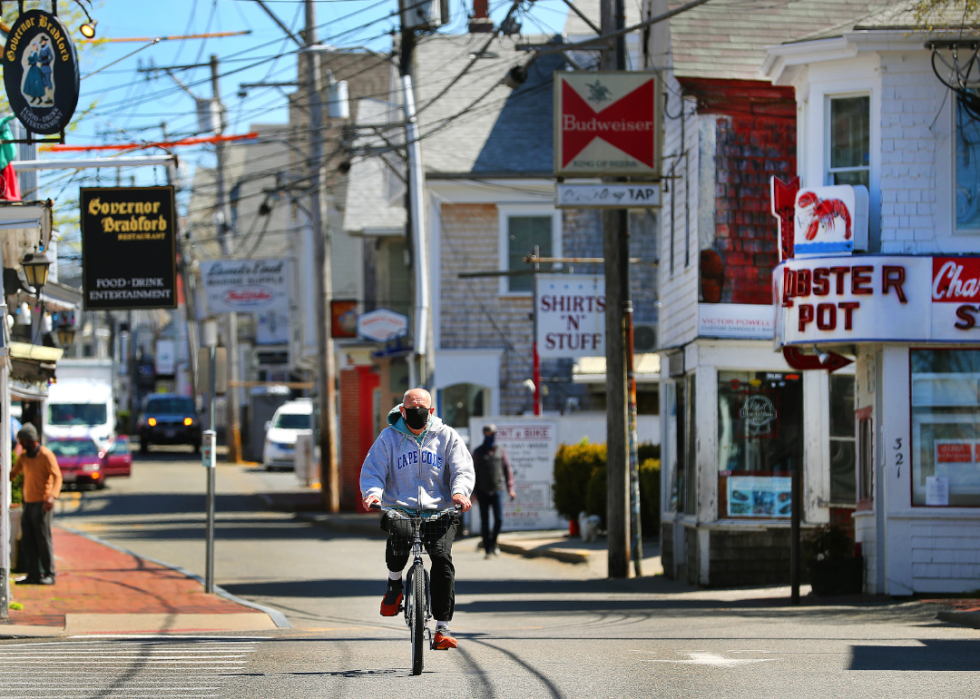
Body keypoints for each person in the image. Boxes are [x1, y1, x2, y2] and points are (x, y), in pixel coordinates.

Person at [361, 388, 474, 650]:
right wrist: (372, 494)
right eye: (411, 408)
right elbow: (374, 469)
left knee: (442, 561)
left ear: (431, 411)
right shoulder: (389, 438)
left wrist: (459, 492)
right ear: (403, 411)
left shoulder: (447, 436)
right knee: (399, 538)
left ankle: (442, 628)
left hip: (439, 510)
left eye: (421, 408)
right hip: (400, 507)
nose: (416, 412)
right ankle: (394, 583)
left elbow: (462, 468)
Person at [10, 423, 61, 585]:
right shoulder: (24, 457)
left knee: (43, 539)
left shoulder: (46, 455)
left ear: (30, 440)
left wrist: (52, 497)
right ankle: (32, 574)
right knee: (27, 539)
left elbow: (57, 476)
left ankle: (49, 573)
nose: (20, 444)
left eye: (22, 441)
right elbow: (13, 474)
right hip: (28, 503)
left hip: (42, 503)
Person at [471, 424, 516, 559]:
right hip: (482, 491)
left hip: (497, 490)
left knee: (499, 519)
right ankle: (488, 550)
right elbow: (472, 473)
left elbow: (507, 470)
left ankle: (494, 542)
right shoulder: (478, 452)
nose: (489, 437)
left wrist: (510, 489)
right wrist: (472, 493)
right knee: (484, 521)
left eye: (491, 434)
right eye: (487, 434)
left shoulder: (501, 451)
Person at [36, 35, 54, 105]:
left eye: (43, 41)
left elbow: (52, 56)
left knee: (48, 82)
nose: (43, 42)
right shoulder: (41, 49)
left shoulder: (47, 48)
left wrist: (47, 61)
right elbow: (39, 58)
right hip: (42, 68)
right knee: (44, 83)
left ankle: (51, 97)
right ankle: (47, 98)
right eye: (42, 41)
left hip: (46, 67)